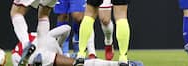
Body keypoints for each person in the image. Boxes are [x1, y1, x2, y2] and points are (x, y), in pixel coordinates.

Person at [11, 25, 144, 66]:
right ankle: (125, 65)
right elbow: (66, 28)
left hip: (20, 56)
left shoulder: (17, 49)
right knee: (82, 63)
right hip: (44, 50)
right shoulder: (43, 36)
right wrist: (61, 48)